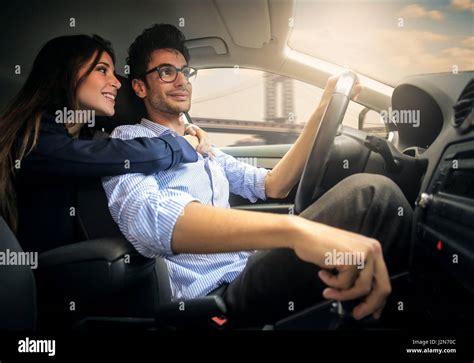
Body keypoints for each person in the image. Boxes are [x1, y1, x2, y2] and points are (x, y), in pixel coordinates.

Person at [102, 24, 413, 327]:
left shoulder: (201, 142)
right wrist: (295, 231)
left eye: (185, 71)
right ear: (140, 87)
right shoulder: (128, 141)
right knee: (372, 198)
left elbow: (272, 185)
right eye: (167, 72)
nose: (182, 80)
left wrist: (323, 106)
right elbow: (150, 220)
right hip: (215, 294)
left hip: (247, 266)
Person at [0, 34, 212, 253]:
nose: (117, 82)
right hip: (43, 274)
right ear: (67, 74)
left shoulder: (85, 134)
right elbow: (112, 153)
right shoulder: (32, 136)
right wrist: (179, 143)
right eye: (102, 70)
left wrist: (185, 128)